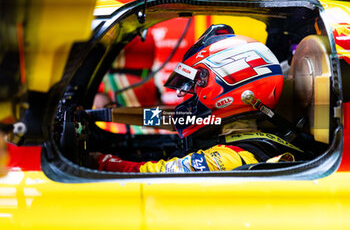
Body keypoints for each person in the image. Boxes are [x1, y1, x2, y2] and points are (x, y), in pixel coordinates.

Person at [93, 24, 305, 173]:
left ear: (231, 83)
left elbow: (153, 174)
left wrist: (101, 162)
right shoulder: (239, 141)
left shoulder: (230, 157)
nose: (189, 93)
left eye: (197, 83)